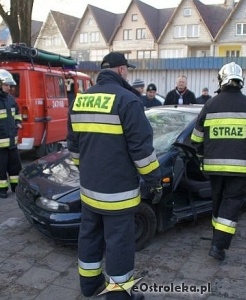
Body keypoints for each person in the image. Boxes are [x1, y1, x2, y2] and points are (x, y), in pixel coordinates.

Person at [67, 51, 162, 299]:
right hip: (119, 195)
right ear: (121, 70)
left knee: (89, 237)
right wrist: (155, 181)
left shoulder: (80, 100)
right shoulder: (128, 101)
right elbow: (142, 152)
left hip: (89, 191)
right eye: (127, 69)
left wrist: (87, 171)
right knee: (119, 244)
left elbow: (74, 148)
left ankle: (89, 287)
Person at [191, 62, 246, 261]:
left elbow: (196, 139)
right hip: (241, 168)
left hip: (213, 167)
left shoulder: (210, 104)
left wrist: (203, 157)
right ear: (240, 80)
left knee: (218, 202)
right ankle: (218, 246)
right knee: (231, 204)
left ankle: (215, 238)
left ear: (221, 80)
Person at [0, 69, 22, 198]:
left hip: (12, 142)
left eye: (10, 85)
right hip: (0, 146)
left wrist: (18, 121)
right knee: (1, 169)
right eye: (6, 85)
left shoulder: (10, 99)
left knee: (15, 167)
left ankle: (16, 187)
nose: (9, 87)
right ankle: (2, 190)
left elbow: (17, 113)